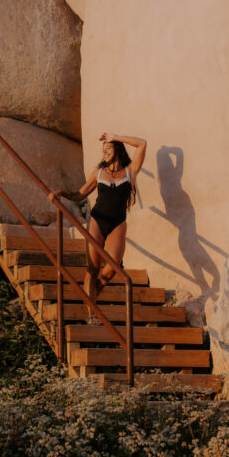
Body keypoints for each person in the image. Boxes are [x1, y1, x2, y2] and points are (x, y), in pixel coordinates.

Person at [49, 132, 147, 322]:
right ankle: (91, 313)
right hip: (97, 220)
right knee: (92, 269)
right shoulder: (99, 172)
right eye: (103, 150)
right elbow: (80, 194)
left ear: (117, 149)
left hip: (117, 223)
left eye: (108, 148)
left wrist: (116, 136)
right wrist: (62, 193)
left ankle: (91, 297)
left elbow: (142, 144)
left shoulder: (130, 171)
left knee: (111, 269)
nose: (105, 152)